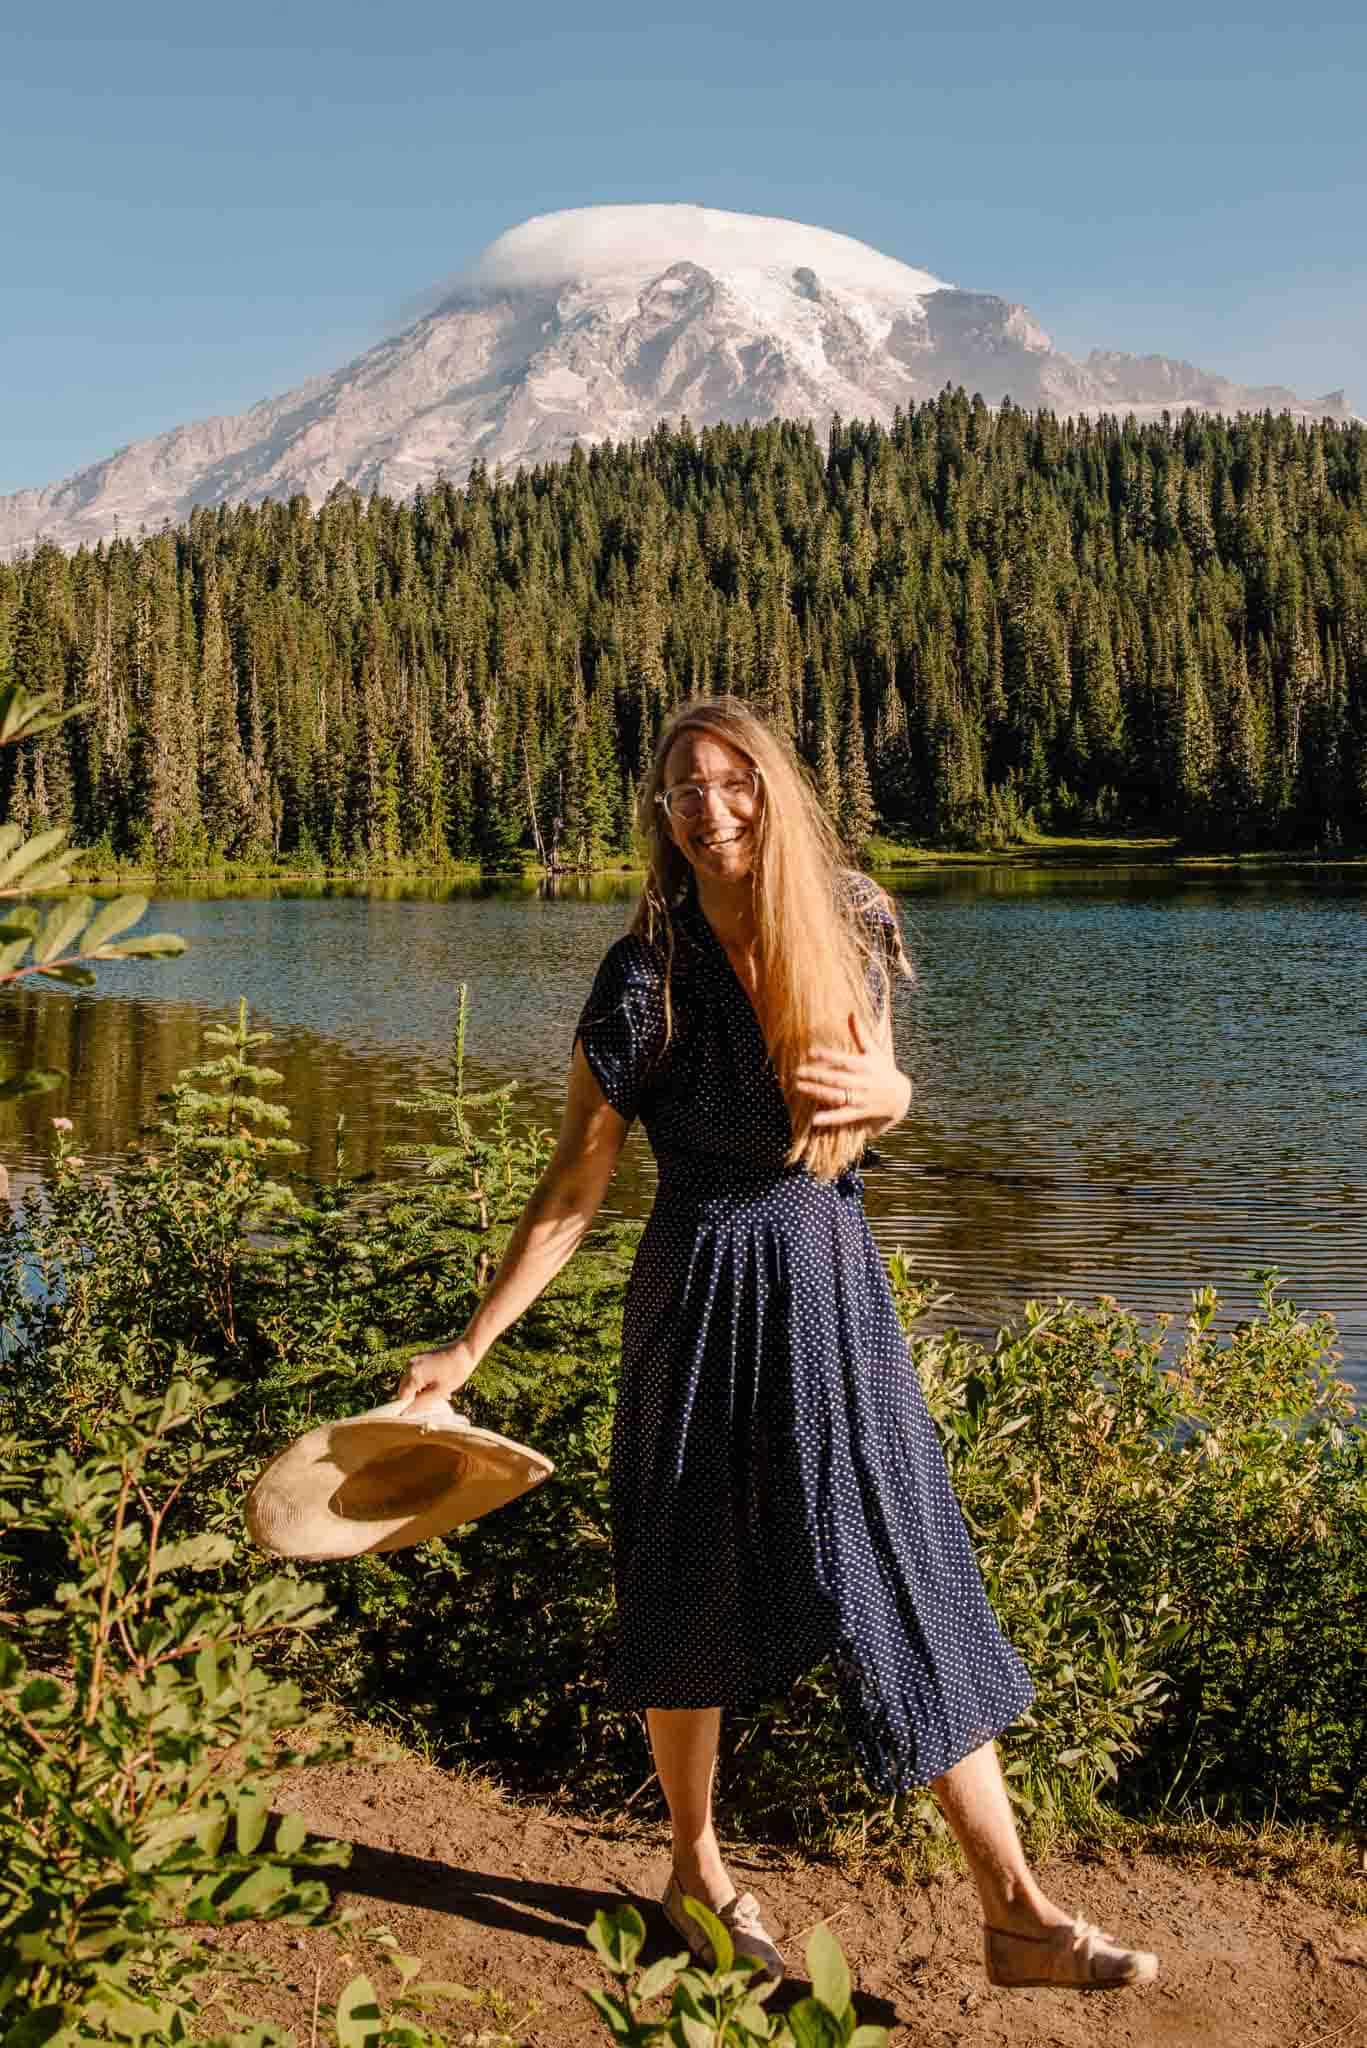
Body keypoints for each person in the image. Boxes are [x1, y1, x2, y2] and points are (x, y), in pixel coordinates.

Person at [397, 697, 1158, 1994]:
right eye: (684, 788)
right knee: (682, 1567)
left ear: (777, 791)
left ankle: (1016, 1911)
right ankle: (696, 1872)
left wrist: (903, 1095)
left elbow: (862, 1101)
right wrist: (465, 1349)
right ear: (663, 815)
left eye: (734, 779)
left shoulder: (849, 916)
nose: (711, 805)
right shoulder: (646, 977)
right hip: (696, 1284)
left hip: (828, 1287)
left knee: (896, 1563)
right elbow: (576, 1183)